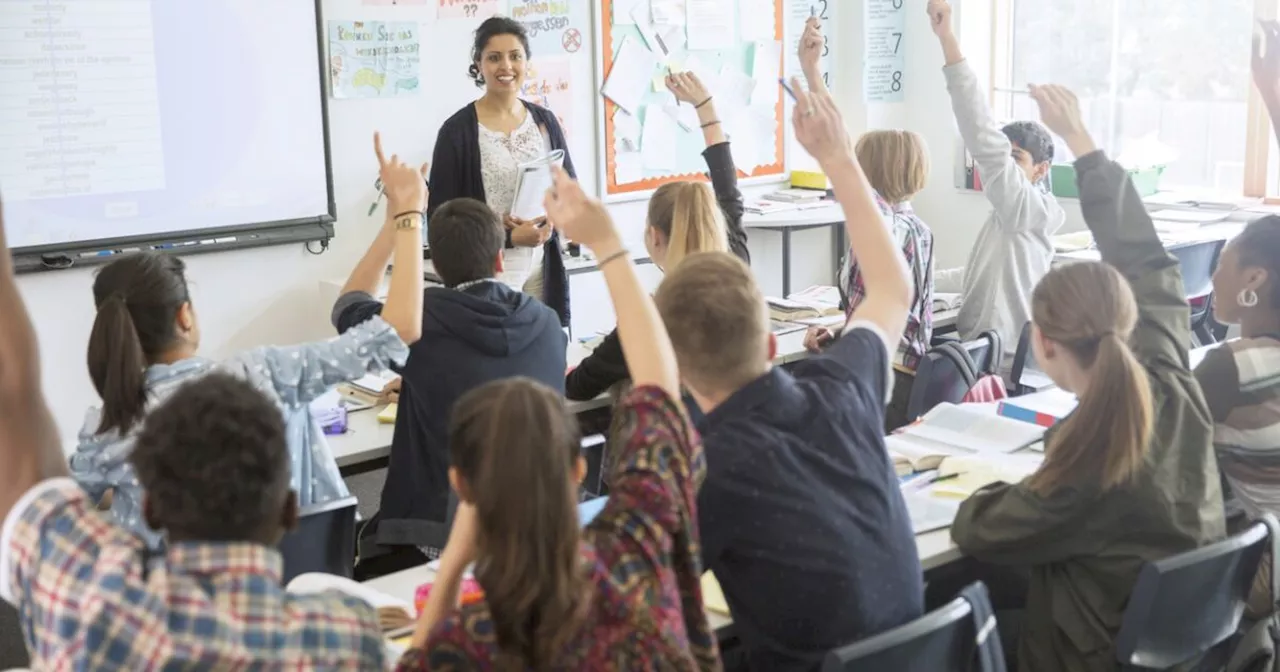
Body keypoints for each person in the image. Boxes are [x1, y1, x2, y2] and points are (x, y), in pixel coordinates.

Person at [0, 183, 414, 667]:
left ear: (154, 508)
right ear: (286, 509)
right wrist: (405, 216)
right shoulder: (342, 634)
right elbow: (396, 330)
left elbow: (38, 495)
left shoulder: (101, 625)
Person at [393, 166, 719, 670]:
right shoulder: (635, 559)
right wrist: (607, 244)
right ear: (578, 469)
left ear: (463, 485)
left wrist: (453, 568)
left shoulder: (469, 640)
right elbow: (658, 386)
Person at [947, 82, 1225, 671]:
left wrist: (1003, 483)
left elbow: (978, 528)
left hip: (1088, 651)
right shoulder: (1172, 377)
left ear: (1041, 344)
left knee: (957, 603)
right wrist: (1081, 139)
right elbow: (1146, 257)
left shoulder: (1087, 459)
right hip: (1177, 644)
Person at [654, 79, 922, 671]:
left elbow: (630, 596)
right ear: (773, 342)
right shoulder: (842, 389)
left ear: (679, 368)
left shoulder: (708, 469)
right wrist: (838, 157)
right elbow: (892, 287)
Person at [69, 134, 421, 548]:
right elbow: (399, 327)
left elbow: (64, 511)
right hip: (294, 583)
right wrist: (409, 214)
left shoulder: (107, 428)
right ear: (185, 314)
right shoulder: (263, 374)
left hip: (171, 603)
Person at [334, 169, 567, 573]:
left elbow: (347, 306)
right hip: (533, 534)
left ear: (436, 267)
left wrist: (398, 222)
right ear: (499, 258)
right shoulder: (547, 323)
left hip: (443, 545)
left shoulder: (422, 324)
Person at [565, 70, 750, 403]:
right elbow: (728, 190)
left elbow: (578, 386)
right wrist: (705, 107)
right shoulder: (736, 268)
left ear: (654, 236)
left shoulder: (649, 318)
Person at [1192, 29, 1280, 617]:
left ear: (1254, 281)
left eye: (1222, 265)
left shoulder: (1232, 368)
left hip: (1259, 578)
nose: (1213, 280)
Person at [928, 0, 1065, 374]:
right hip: (988, 351)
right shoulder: (1011, 215)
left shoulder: (1022, 208)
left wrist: (947, 40)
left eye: (1015, 158)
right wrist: (923, 281)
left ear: (1041, 169)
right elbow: (979, 276)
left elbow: (979, 131)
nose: (1003, 167)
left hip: (996, 366)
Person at [428, 16, 573, 327]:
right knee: (502, 364)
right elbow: (441, 221)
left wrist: (551, 221)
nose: (506, 66)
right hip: (487, 273)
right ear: (479, 64)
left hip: (543, 266)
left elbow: (570, 192)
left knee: (544, 358)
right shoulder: (457, 132)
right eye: (494, 58)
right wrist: (506, 234)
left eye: (515, 56)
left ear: (527, 62)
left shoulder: (545, 121)